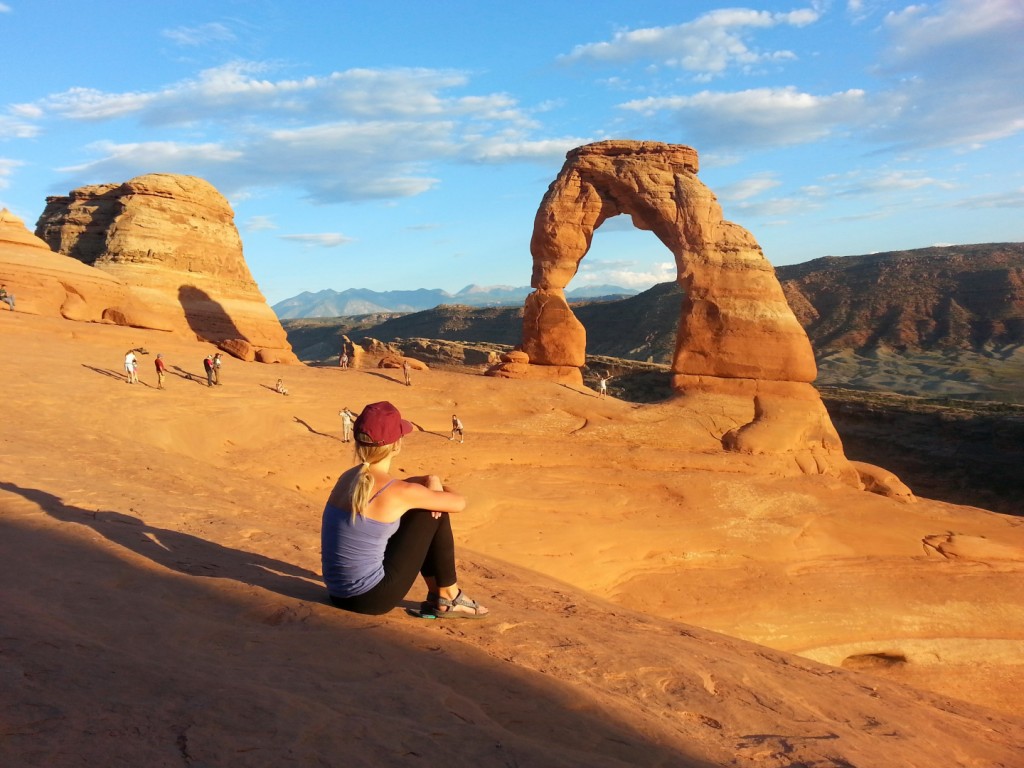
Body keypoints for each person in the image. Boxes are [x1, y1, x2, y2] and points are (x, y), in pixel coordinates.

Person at [321, 401, 488, 618]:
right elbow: (458, 503)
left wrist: (428, 480)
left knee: (425, 503)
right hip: (371, 599)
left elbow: (399, 487)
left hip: (337, 593)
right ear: (397, 444)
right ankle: (449, 596)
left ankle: (443, 596)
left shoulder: (349, 478)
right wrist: (437, 484)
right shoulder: (398, 492)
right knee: (430, 511)